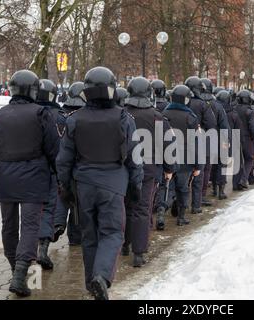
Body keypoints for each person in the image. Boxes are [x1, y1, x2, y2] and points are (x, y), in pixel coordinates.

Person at [56, 67, 143, 300]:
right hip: (114, 185)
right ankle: (101, 277)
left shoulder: (74, 119)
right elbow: (135, 158)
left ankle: (91, 283)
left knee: (89, 236)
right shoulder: (124, 118)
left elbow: (63, 159)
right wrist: (136, 187)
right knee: (113, 233)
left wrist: (65, 187)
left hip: (84, 185)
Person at [0, 70, 59, 297]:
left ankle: (15, 269)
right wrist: (60, 176)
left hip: (6, 180)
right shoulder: (42, 114)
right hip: (35, 180)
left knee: (8, 227)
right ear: (34, 90)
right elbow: (54, 150)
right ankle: (22, 273)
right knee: (30, 226)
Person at [122, 77, 174, 266]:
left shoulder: (121, 114)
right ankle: (138, 252)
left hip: (125, 168)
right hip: (148, 169)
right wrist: (169, 169)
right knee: (142, 209)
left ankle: (125, 244)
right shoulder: (157, 117)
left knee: (127, 206)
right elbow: (168, 144)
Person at [162, 85, 203, 225]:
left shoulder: (163, 114)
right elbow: (195, 143)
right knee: (183, 189)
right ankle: (181, 217)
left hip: (166, 157)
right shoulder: (191, 117)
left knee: (167, 187)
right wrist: (198, 165)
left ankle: (161, 213)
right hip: (185, 159)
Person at [52, 82, 86, 246]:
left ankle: (58, 223)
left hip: (58, 163)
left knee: (62, 194)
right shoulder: (83, 116)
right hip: (77, 163)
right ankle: (75, 237)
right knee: (76, 201)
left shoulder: (59, 115)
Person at [34, 79, 63, 271]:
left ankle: (25, 254)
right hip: (51, 170)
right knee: (48, 209)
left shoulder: (30, 114)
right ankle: (42, 248)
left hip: (29, 170)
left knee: (30, 212)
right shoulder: (59, 117)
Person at [184, 76, 216, 213]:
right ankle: (196, 205)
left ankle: (179, 204)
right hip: (199, 141)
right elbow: (211, 124)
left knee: (182, 174)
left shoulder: (179, 102)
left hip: (181, 142)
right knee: (198, 172)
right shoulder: (202, 104)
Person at [200, 78, 229, 203]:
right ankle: (220, 189)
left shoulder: (196, 103)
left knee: (206, 166)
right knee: (220, 164)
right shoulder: (217, 106)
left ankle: (206, 191)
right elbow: (224, 124)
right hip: (217, 138)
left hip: (200, 140)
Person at [233, 90, 254, 188]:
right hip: (247, 138)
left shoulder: (234, 109)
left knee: (237, 160)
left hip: (235, 136)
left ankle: (235, 184)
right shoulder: (250, 112)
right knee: (249, 159)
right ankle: (243, 180)